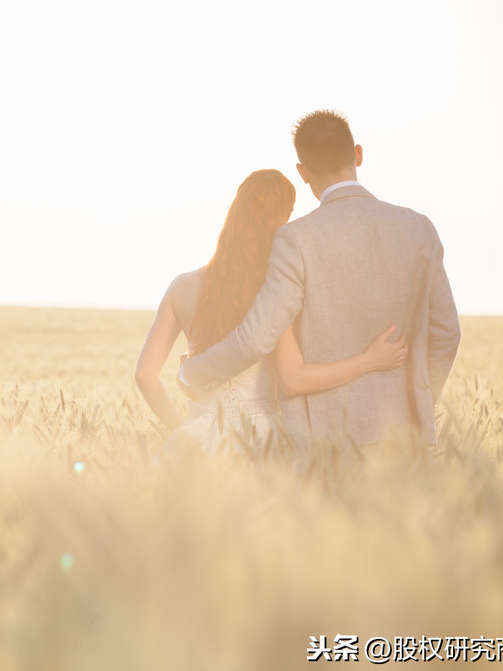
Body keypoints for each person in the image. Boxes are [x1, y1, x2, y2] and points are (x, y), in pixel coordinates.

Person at [178, 110, 461, 447]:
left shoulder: (295, 239)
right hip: (405, 438)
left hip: (324, 442)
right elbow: (447, 334)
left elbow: (255, 338)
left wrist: (190, 373)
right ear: (357, 153)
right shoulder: (419, 229)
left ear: (302, 172)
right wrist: (419, 401)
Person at [136, 169, 407, 456]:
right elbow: (295, 378)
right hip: (261, 442)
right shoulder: (277, 291)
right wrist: (369, 360)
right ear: (281, 220)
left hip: (196, 438)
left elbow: (144, 375)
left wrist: (184, 430)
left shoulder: (182, 286)